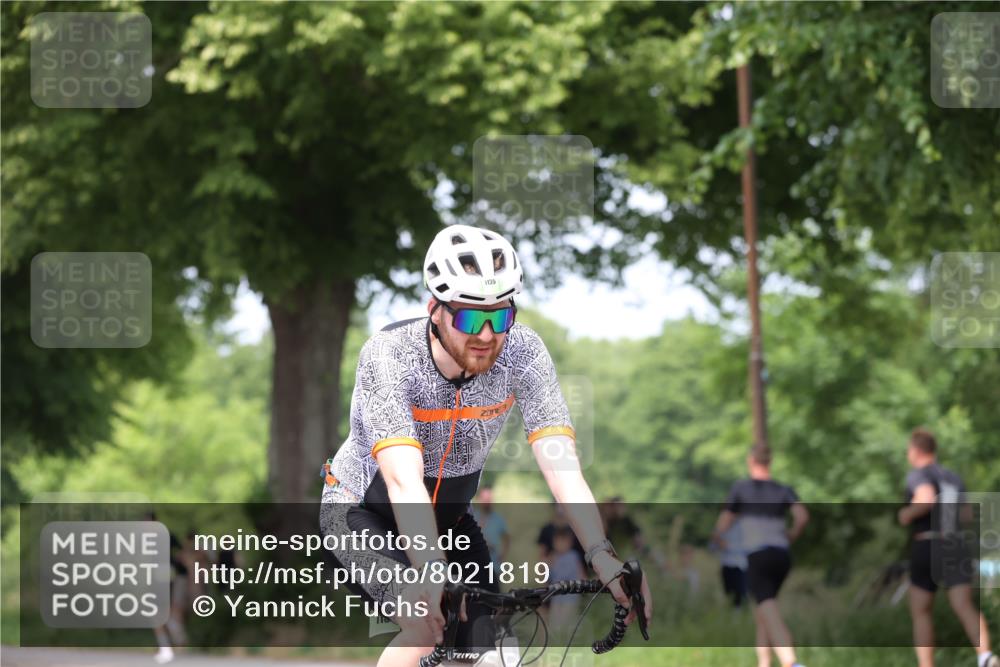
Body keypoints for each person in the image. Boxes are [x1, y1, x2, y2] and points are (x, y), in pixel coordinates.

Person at [319, 225, 652, 667]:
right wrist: (431, 572)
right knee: (425, 623)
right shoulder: (390, 355)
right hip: (360, 511)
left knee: (497, 653)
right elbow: (402, 480)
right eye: (471, 318)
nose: (488, 335)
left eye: (500, 317)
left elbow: (562, 467)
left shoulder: (524, 353)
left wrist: (600, 555)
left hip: (450, 519)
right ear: (434, 310)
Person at [898, 428, 997, 667]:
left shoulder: (918, 475)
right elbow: (964, 514)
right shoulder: (953, 478)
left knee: (921, 610)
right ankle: (985, 656)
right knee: (964, 604)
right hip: (955, 542)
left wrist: (906, 513)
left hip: (928, 543)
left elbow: (925, 498)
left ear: (915, 450)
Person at [713, 444, 808, 667]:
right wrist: (792, 535)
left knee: (767, 607)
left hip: (758, 557)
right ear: (770, 462)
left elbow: (723, 524)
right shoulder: (783, 489)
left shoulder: (741, 488)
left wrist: (719, 539)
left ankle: (790, 661)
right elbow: (802, 516)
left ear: (750, 461)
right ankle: (763, 664)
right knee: (763, 612)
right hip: (782, 557)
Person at [546, 525, 587, 639]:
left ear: (569, 542)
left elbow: (577, 574)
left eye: (562, 541)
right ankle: (556, 642)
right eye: (557, 541)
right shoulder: (554, 557)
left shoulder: (573, 556)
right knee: (554, 622)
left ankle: (569, 642)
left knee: (568, 620)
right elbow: (549, 576)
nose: (559, 544)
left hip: (570, 596)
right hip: (556, 596)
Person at [471, 485, 510, 578]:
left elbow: (507, 538)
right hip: (476, 567)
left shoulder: (498, 519)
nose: (487, 501)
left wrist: (502, 555)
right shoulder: (473, 517)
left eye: (489, 498)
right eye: (485, 498)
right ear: (479, 499)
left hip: (494, 566)